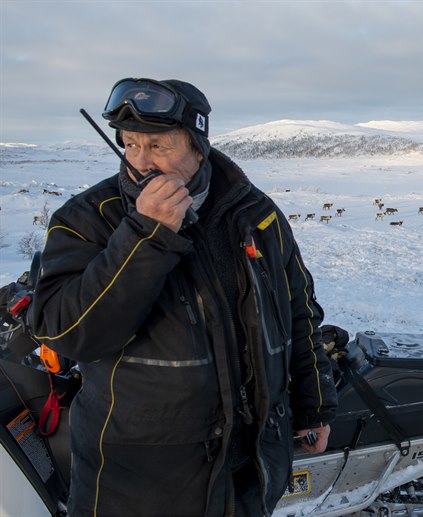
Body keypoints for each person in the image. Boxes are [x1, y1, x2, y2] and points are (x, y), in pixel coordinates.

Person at [27, 78, 337, 516]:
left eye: (158, 146)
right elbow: (66, 333)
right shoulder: (88, 219)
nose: (140, 161)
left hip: (248, 473)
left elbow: (298, 314)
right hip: (136, 486)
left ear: (198, 146)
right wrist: (145, 235)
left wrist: (313, 406)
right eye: (130, 144)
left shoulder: (256, 215)